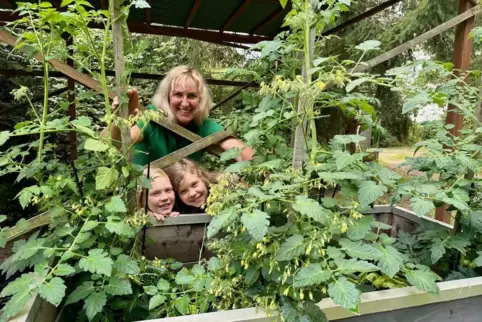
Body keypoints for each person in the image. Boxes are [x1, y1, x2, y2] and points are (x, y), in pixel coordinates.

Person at [103, 65, 254, 165]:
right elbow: (108, 144)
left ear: (201, 100)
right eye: (178, 95)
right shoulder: (151, 118)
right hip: (144, 198)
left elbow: (241, 152)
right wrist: (120, 120)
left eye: (192, 96)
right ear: (167, 97)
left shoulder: (202, 124)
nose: (185, 103)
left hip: (182, 201)